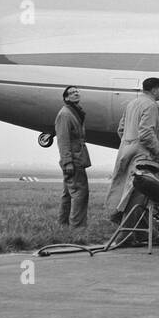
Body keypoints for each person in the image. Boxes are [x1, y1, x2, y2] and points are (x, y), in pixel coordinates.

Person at [106, 78, 159, 218]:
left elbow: (121, 129)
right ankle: (129, 233)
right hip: (142, 156)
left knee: (123, 192)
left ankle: (130, 228)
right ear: (154, 90)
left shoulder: (132, 103)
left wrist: (129, 144)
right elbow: (146, 133)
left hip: (126, 151)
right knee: (137, 195)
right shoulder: (151, 106)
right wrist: (158, 152)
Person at [54, 86, 91, 229]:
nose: (76, 94)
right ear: (66, 98)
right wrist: (67, 162)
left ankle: (63, 225)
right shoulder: (65, 114)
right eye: (72, 93)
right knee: (80, 193)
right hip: (73, 160)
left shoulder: (75, 112)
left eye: (77, 92)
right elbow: (63, 140)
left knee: (69, 194)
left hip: (77, 157)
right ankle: (78, 228)